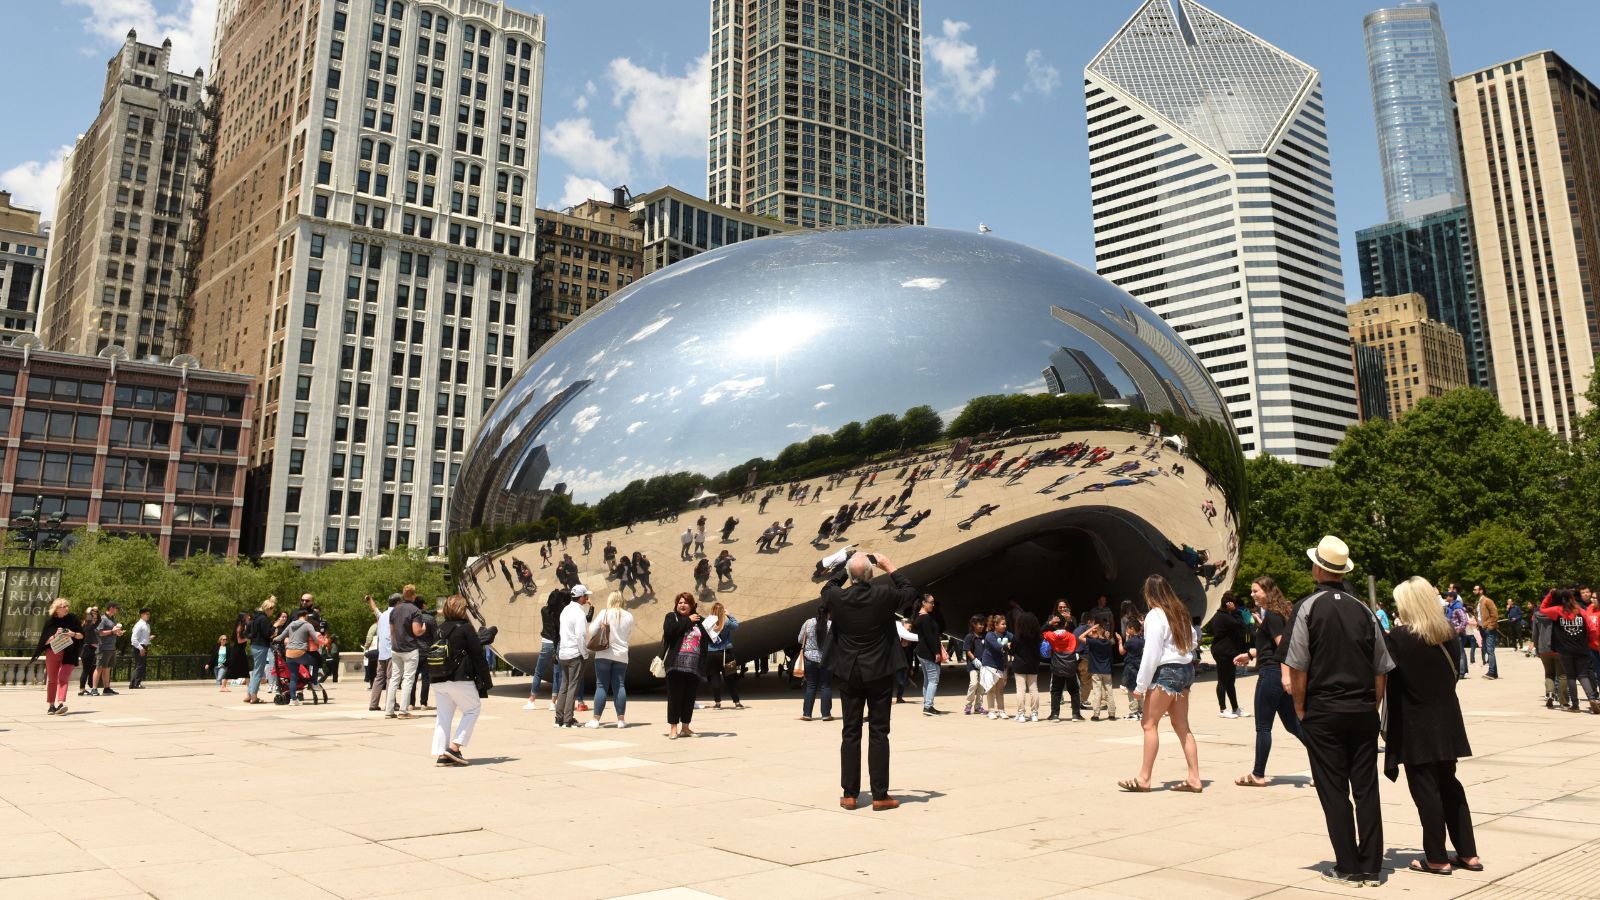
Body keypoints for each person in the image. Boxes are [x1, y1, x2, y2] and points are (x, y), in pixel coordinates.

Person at [1284, 536, 1395, 887]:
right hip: (1362, 708)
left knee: (1333, 790)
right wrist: (1372, 706)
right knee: (1366, 789)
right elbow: (1381, 667)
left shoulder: (1308, 607)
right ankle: (1372, 866)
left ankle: (1347, 864)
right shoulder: (1363, 609)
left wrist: (1300, 708)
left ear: (1318, 568)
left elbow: (1298, 666)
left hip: (1324, 709)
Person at [1384, 577, 1481, 875]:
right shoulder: (1447, 634)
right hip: (1447, 718)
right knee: (1450, 785)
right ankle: (1468, 853)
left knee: (1426, 790)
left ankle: (1437, 857)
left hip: (1416, 724)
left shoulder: (1398, 639)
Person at [822, 551, 919, 811]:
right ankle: (879, 795)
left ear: (852, 577)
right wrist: (888, 565)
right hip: (879, 670)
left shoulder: (838, 597)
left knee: (850, 732)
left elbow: (828, 586)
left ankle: (850, 794)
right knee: (879, 732)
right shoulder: (884, 595)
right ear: (871, 574)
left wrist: (846, 565)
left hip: (849, 671)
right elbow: (909, 590)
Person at [1118, 575, 1202, 793]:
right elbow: (1193, 640)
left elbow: (1152, 653)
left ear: (1149, 594)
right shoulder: (1180, 612)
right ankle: (1194, 777)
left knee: (1149, 724)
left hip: (1166, 672)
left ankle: (1144, 779)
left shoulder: (1156, 615)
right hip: (1185, 669)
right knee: (1182, 726)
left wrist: (1140, 685)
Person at [1234, 577, 1303, 787]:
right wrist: (1251, 654)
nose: (1252, 595)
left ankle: (1258, 774)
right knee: (1294, 726)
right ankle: (1324, 766)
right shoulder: (1278, 614)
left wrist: (1285, 676)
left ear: (1267, 591)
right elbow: (1272, 648)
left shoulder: (1273, 616)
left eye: (1256, 591)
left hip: (1272, 675)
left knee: (1263, 727)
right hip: (1276, 673)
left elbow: (1284, 648)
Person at [431, 594, 490, 766]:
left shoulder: (439, 629)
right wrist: (485, 680)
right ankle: (454, 747)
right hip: (459, 677)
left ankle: (442, 754)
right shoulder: (465, 628)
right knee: (472, 709)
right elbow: (477, 655)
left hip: (438, 678)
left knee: (443, 716)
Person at [1540, 589, 1599, 714]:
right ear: (1572, 599)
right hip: (1581, 648)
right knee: (1583, 675)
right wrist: (1590, 643)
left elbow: (1542, 609)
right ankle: (1592, 698)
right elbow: (1592, 628)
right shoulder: (1581, 611)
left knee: (1570, 676)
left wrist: (1550, 595)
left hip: (1565, 649)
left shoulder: (1557, 610)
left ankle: (1575, 705)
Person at [662, 592, 711, 738]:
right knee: (674, 697)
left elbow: (712, 638)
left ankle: (686, 727)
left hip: (694, 667)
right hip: (675, 665)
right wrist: (688, 621)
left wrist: (716, 626)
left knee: (689, 698)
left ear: (692, 605)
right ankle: (673, 728)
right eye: (680, 603)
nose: (682, 605)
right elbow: (669, 631)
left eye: (685, 603)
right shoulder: (672, 617)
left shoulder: (700, 620)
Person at [587, 592, 635, 728]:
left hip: (604, 654)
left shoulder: (605, 613)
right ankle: (621, 720)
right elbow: (629, 635)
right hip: (621, 655)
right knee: (619, 686)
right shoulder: (629, 616)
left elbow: (591, 630)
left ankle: (596, 720)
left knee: (601, 686)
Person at [31, 598, 85, 715]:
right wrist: (55, 635)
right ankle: (51, 705)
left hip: (70, 653)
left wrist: (73, 634)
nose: (67, 608)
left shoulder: (73, 619)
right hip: (53, 652)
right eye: (64, 606)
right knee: (52, 680)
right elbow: (44, 642)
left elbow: (82, 636)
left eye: (67, 606)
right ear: (56, 609)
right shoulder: (50, 622)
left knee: (63, 677)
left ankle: (61, 703)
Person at [554, 584, 593, 728]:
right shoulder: (579, 613)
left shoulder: (565, 610)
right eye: (586, 596)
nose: (587, 598)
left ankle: (559, 718)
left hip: (563, 653)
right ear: (581, 597)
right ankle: (568, 719)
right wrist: (585, 653)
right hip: (575, 654)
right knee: (573, 687)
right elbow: (580, 636)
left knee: (564, 686)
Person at [386, 586, 424, 719]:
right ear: (413, 596)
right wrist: (423, 628)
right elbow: (416, 631)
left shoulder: (394, 610)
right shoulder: (415, 610)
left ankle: (389, 710)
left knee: (394, 679)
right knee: (408, 679)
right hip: (410, 648)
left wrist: (394, 643)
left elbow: (391, 631)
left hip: (396, 648)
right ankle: (403, 711)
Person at [1208, 596, 1246, 717]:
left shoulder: (1223, 616)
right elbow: (1241, 625)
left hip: (1228, 652)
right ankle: (1223, 709)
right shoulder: (1224, 617)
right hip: (1223, 652)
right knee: (1223, 681)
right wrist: (1235, 611)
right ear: (1229, 604)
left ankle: (1235, 708)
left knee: (1230, 682)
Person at [1043, 615, 1083, 721]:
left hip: (1057, 666)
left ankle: (1055, 715)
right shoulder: (1071, 636)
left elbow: (1042, 631)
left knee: (1056, 691)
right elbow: (1074, 648)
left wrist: (1050, 623)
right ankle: (1076, 715)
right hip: (1070, 666)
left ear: (1055, 625)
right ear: (1065, 624)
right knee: (1074, 690)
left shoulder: (1050, 635)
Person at [705, 601, 744, 709]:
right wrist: (729, 614)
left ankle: (717, 703)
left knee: (714, 678)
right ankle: (737, 702)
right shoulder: (726, 622)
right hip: (726, 653)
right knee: (730, 678)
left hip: (711, 653)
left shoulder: (707, 622)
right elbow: (736, 625)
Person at [797, 605, 833, 721]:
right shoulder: (830, 625)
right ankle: (826, 714)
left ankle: (807, 714)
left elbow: (799, 639)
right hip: (826, 658)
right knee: (825, 686)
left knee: (811, 686)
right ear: (828, 613)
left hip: (809, 658)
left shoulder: (808, 623)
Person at [913, 595, 947, 715]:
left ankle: (927, 704)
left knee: (928, 680)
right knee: (933, 680)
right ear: (924, 603)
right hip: (928, 652)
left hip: (922, 652)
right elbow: (930, 636)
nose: (933, 605)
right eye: (931, 602)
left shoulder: (918, 616)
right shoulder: (926, 618)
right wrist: (936, 652)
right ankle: (928, 706)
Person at [1009, 611, 1043, 722]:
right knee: (1034, 689)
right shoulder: (1037, 637)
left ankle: (1021, 714)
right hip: (1033, 665)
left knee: (1020, 690)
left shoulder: (1016, 637)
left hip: (1019, 665)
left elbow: (1012, 651)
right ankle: (1034, 714)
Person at [1083, 621, 1118, 721]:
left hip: (1096, 670)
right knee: (1109, 692)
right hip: (1106, 670)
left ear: (1098, 633)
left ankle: (1096, 714)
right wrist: (1105, 636)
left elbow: (1080, 637)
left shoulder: (1093, 642)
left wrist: (1090, 629)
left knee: (1097, 692)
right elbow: (1110, 641)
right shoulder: (1108, 642)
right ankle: (1112, 713)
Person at [243, 597, 276, 704]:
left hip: (254, 646)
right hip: (261, 646)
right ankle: (254, 696)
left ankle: (249, 694)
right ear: (269, 609)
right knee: (258, 672)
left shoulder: (255, 618)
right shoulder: (264, 619)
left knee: (256, 670)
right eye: (272, 609)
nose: (272, 612)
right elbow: (267, 633)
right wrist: (275, 627)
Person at [979, 614, 1011, 719]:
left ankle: (1001, 710)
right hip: (989, 665)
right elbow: (998, 647)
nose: (1005, 626)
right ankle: (991, 710)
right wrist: (1007, 646)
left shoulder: (1006, 634)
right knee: (991, 689)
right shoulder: (990, 635)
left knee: (1000, 690)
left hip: (1001, 666)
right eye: (1002, 624)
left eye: (1005, 623)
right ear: (996, 625)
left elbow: (1015, 639)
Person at [366, 595, 395, 711]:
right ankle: (390, 703)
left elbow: (374, 608)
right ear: (398, 603)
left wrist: (370, 599)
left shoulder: (382, 615)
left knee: (379, 678)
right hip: (392, 651)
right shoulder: (395, 615)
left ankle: (373, 704)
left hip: (382, 652)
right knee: (391, 678)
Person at [93, 604, 124, 696]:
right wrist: (112, 632)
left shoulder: (112, 619)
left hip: (111, 647)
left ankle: (107, 688)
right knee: (99, 668)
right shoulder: (103, 619)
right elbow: (99, 632)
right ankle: (94, 689)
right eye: (116, 608)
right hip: (103, 647)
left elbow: (112, 631)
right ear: (111, 608)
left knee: (107, 668)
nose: (117, 610)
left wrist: (118, 633)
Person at [1120, 618, 1146, 721]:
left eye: (1128, 628)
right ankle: (1141, 710)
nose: (1127, 630)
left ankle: (1134, 711)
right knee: (1139, 688)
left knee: (1131, 689)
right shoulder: (1142, 640)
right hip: (1139, 665)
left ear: (1132, 629)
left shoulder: (1131, 641)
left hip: (1130, 666)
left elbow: (1122, 651)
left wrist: (1119, 642)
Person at [1474, 585, 1499, 679]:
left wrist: (1490, 626)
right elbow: (1479, 615)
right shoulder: (1479, 602)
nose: (1473, 591)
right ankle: (1494, 673)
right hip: (1482, 628)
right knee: (1488, 650)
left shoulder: (1487, 600)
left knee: (1490, 650)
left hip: (1488, 629)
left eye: (1475, 589)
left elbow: (1495, 614)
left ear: (1481, 591)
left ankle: (1492, 672)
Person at [125, 608, 153, 689]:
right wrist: (141, 648)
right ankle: (136, 683)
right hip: (139, 646)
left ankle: (133, 683)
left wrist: (149, 638)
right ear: (142, 615)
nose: (148, 616)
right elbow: (133, 639)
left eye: (149, 614)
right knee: (140, 665)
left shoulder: (146, 625)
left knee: (141, 665)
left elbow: (143, 637)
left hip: (144, 645)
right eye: (147, 614)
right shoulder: (139, 624)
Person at [226, 612, 251, 684]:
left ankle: (249, 687)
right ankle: (223, 686)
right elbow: (239, 641)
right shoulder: (239, 627)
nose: (248, 617)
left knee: (245, 668)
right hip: (237, 650)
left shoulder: (243, 626)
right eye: (247, 616)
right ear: (243, 618)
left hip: (241, 650)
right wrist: (248, 638)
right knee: (231, 667)